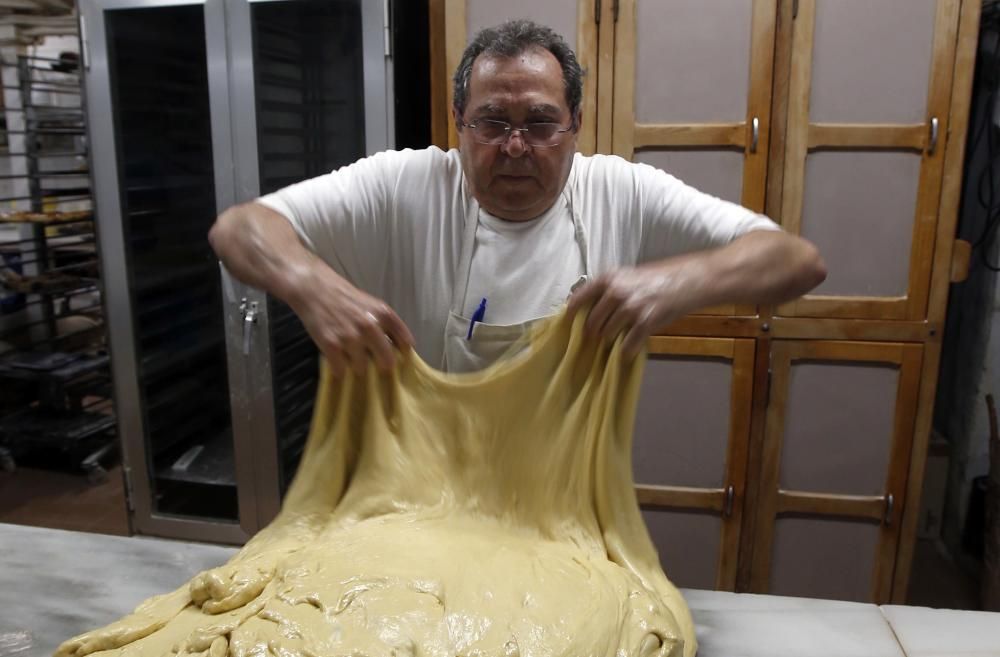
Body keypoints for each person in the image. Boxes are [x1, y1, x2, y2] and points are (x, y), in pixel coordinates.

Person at [209, 19, 826, 376]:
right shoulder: (405, 186)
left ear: (575, 123)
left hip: (566, 512)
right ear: (458, 120)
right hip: (425, 506)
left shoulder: (622, 192)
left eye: (540, 123)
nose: (514, 147)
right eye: (491, 122)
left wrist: (675, 284)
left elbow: (796, 260)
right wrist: (314, 288)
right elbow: (239, 228)